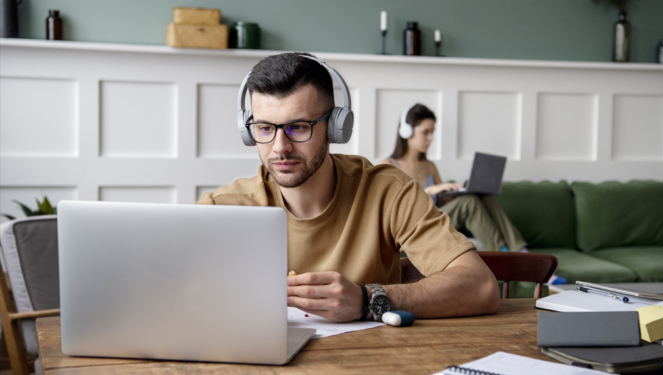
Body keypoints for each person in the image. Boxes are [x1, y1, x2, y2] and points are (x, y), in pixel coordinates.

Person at [197, 53, 500, 323]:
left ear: (334, 129)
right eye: (265, 128)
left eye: (298, 127)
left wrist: (367, 300)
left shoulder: (389, 192)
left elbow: (481, 286)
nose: (280, 147)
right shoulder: (219, 208)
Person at [381, 104, 527, 253]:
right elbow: (391, 209)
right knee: (468, 203)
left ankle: (521, 250)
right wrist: (429, 191)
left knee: (483, 197)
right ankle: (506, 254)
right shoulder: (388, 165)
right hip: (415, 226)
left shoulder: (430, 166)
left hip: (440, 218)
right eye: (426, 132)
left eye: (432, 132)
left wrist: (458, 192)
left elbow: (446, 204)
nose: (431, 138)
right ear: (407, 131)